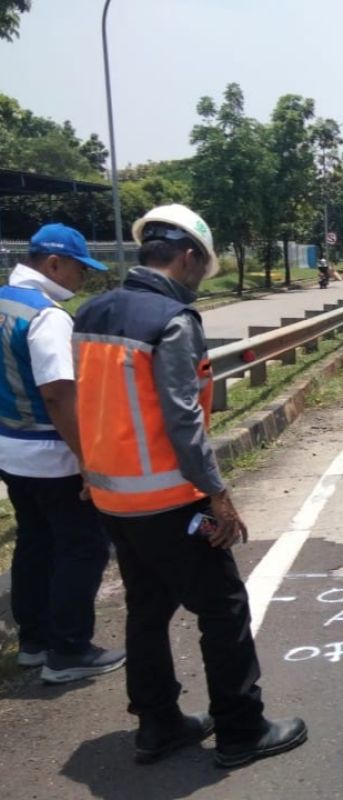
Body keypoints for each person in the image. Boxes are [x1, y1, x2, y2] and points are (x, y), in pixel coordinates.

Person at [73, 204, 306, 767]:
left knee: (147, 609)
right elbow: (182, 418)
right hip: (174, 501)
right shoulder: (172, 321)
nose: (204, 274)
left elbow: (90, 404)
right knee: (223, 606)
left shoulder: (92, 311)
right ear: (187, 256)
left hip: (112, 497)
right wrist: (218, 496)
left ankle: (158, 724)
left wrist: (89, 471)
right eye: (204, 264)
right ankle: (241, 730)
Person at [0, 223, 126, 685]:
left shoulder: (2, 301)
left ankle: (34, 642)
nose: (83, 280)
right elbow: (58, 395)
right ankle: (69, 649)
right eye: (79, 269)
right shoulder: (46, 316)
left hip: (10, 450)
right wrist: (88, 461)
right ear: (54, 263)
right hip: (52, 454)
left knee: (35, 541)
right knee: (84, 547)